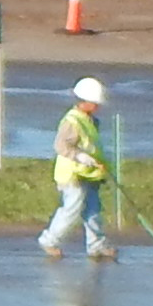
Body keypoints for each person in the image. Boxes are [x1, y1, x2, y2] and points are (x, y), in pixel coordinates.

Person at [41, 76, 115, 260]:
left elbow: (92, 146)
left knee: (93, 210)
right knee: (71, 209)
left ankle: (96, 245)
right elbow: (61, 146)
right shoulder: (72, 121)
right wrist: (80, 156)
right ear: (84, 101)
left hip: (89, 174)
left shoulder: (90, 120)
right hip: (72, 174)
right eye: (94, 103)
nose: (98, 106)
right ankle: (49, 241)